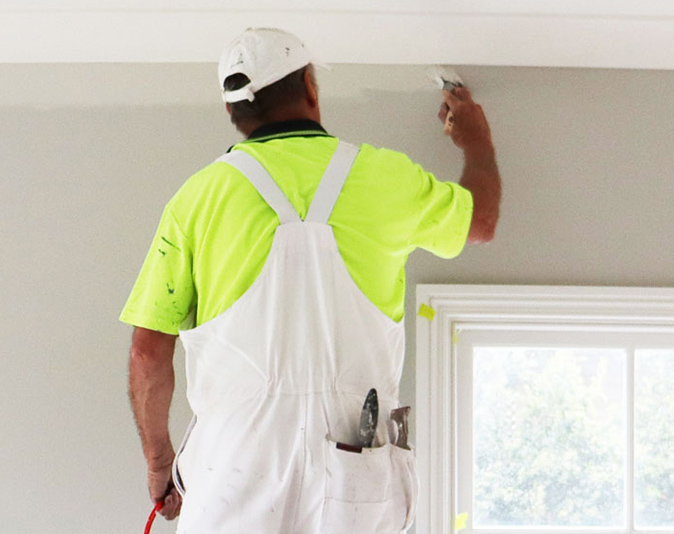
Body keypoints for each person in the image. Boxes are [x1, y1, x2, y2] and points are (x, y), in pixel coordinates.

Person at [122, 27, 500, 533]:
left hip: (234, 469)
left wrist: (159, 462)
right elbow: (481, 222)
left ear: (232, 110)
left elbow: (148, 351)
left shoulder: (198, 198)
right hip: (354, 466)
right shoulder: (385, 176)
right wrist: (477, 143)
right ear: (309, 85)